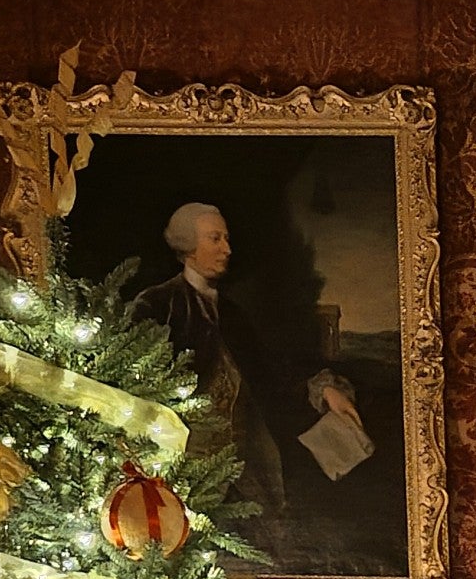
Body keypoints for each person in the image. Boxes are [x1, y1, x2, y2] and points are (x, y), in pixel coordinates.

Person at [128, 203, 363, 520]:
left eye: (226, 239)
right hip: (181, 457)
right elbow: (134, 385)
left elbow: (271, 373)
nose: (226, 249)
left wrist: (324, 390)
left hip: (247, 457)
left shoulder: (234, 313)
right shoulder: (156, 304)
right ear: (188, 246)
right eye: (215, 239)